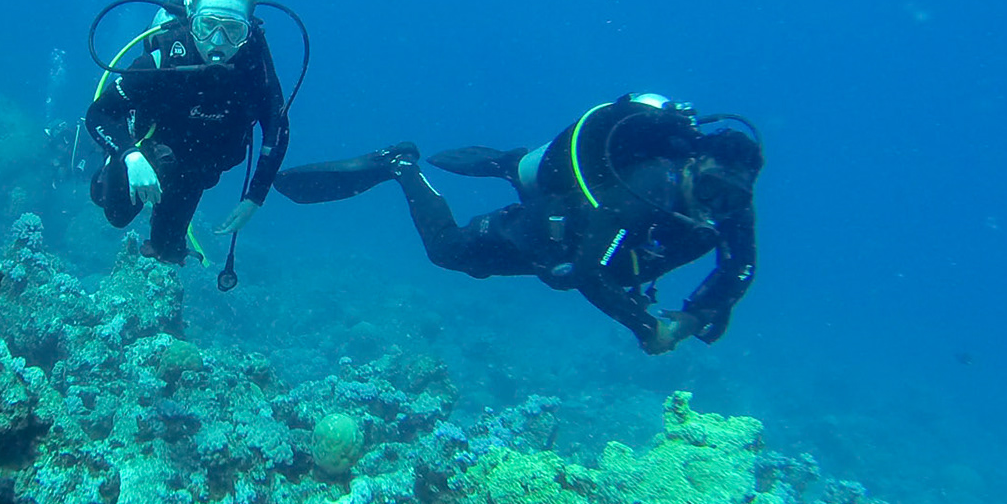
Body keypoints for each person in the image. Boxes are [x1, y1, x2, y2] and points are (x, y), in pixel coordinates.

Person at [273, 94, 761, 353]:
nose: (716, 206)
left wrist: (695, 317)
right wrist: (647, 327)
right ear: (694, 165)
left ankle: (511, 165)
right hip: (558, 230)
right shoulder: (652, 185)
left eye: (731, 198)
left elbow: (740, 269)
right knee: (447, 251)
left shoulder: (732, 208)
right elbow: (590, 272)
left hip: (591, 244)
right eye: (712, 189)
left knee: (528, 185)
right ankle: (402, 164)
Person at [85, 0, 290, 263]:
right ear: (192, 17)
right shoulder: (165, 57)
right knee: (115, 213)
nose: (217, 41)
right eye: (207, 24)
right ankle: (112, 163)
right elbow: (100, 113)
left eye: (233, 29)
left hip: (198, 166)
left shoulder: (255, 69)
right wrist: (130, 155)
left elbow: (278, 130)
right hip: (147, 150)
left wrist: (255, 197)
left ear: (249, 29)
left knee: (167, 252)